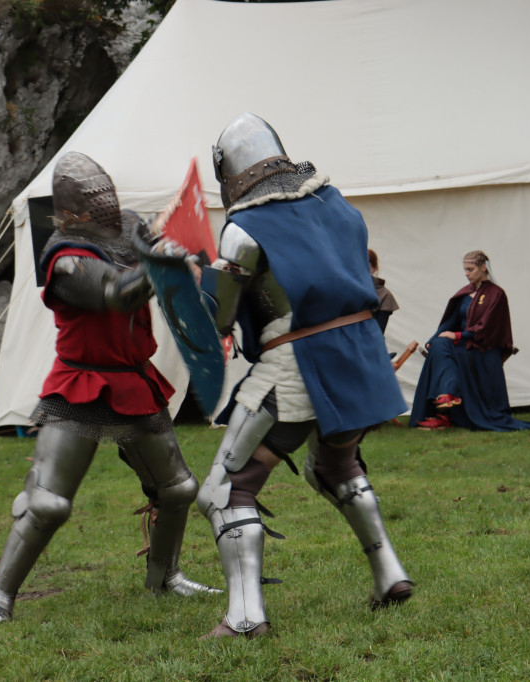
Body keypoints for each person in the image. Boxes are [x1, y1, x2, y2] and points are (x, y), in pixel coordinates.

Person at [196, 113, 413, 639]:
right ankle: (390, 575)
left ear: (230, 171)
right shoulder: (336, 204)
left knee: (226, 490)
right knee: (335, 465)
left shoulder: (244, 229)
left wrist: (190, 283)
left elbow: (216, 319)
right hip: (358, 357)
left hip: (296, 364)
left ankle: (246, 619)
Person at [0, 152, 219, 625]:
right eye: (95, 203)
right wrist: (158, 264)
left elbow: (164, 266)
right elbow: (114, 293)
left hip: (135, 380)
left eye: (108, 197)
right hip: (81, 385)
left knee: (177, 489)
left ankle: (164, 578)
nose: (108, 208)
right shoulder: (65, 258)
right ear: (70, 213)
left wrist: (184, 260)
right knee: (48, 503)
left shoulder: (129, 230)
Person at [409, 250, 530, 432]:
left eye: (470, 269)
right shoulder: (465, 294)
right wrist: (433, 338)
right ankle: (447, 398)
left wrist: (459, 336)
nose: (467, 274)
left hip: (483, 346)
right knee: (438, 345)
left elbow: (487, 327)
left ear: (483, 267)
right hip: (463, 344)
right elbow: (451, 322)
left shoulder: (496, 294)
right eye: (465, 270)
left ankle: (446, 405)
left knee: (444, 351)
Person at [369, 248, 399, 334]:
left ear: (375, 268)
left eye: (367, 262)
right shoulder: (347, 286)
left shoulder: (385, 295)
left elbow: (378, 332)